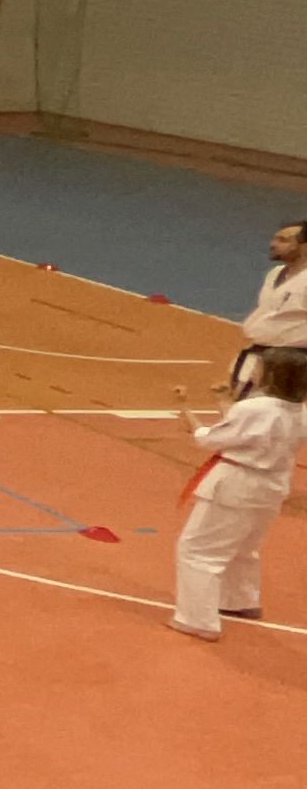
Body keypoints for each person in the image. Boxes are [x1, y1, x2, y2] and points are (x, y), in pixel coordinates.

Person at [166, 349, 305, 640]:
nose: (254, 371)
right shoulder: (300, 411)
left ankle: (198, 619)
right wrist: (221, 403)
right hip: (272, 485)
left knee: (198, 550)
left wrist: (188, 415)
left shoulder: (256, 408)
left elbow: (214, 439)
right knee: (244, 545)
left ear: (271, 374)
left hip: (238, 481)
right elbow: (247, 431)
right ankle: (240, 599)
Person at [230, 219, 305, 397]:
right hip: (260, 355)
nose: (273, 244)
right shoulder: (275, 274)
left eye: (283, 240)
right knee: (245, 406)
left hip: (293, 362)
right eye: (275, 238)